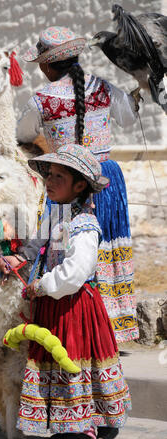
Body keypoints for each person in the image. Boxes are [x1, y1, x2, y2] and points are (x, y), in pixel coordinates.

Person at [0, 143, 132, 439]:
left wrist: (42, 286)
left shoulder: (84, 225)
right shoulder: (57, 213)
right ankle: (82, 425)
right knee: (62, 364)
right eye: (50, 174)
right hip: (55, 308)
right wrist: (20, 259)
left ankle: (81, 430)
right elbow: (38, 243)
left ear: (80, 185)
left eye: (59, 176)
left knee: (75, 362)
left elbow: (74, 274)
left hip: (74, 308)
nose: (50, 181)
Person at [17, 26, 139, 344]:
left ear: (45, 65)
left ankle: (74, 326)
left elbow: (24, 135)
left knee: (64, 250)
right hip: (107, 180)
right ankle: (111, 326)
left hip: (66, 181)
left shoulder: (40, 100)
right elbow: (128, 118)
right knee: (105, 250)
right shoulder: (101, 87)